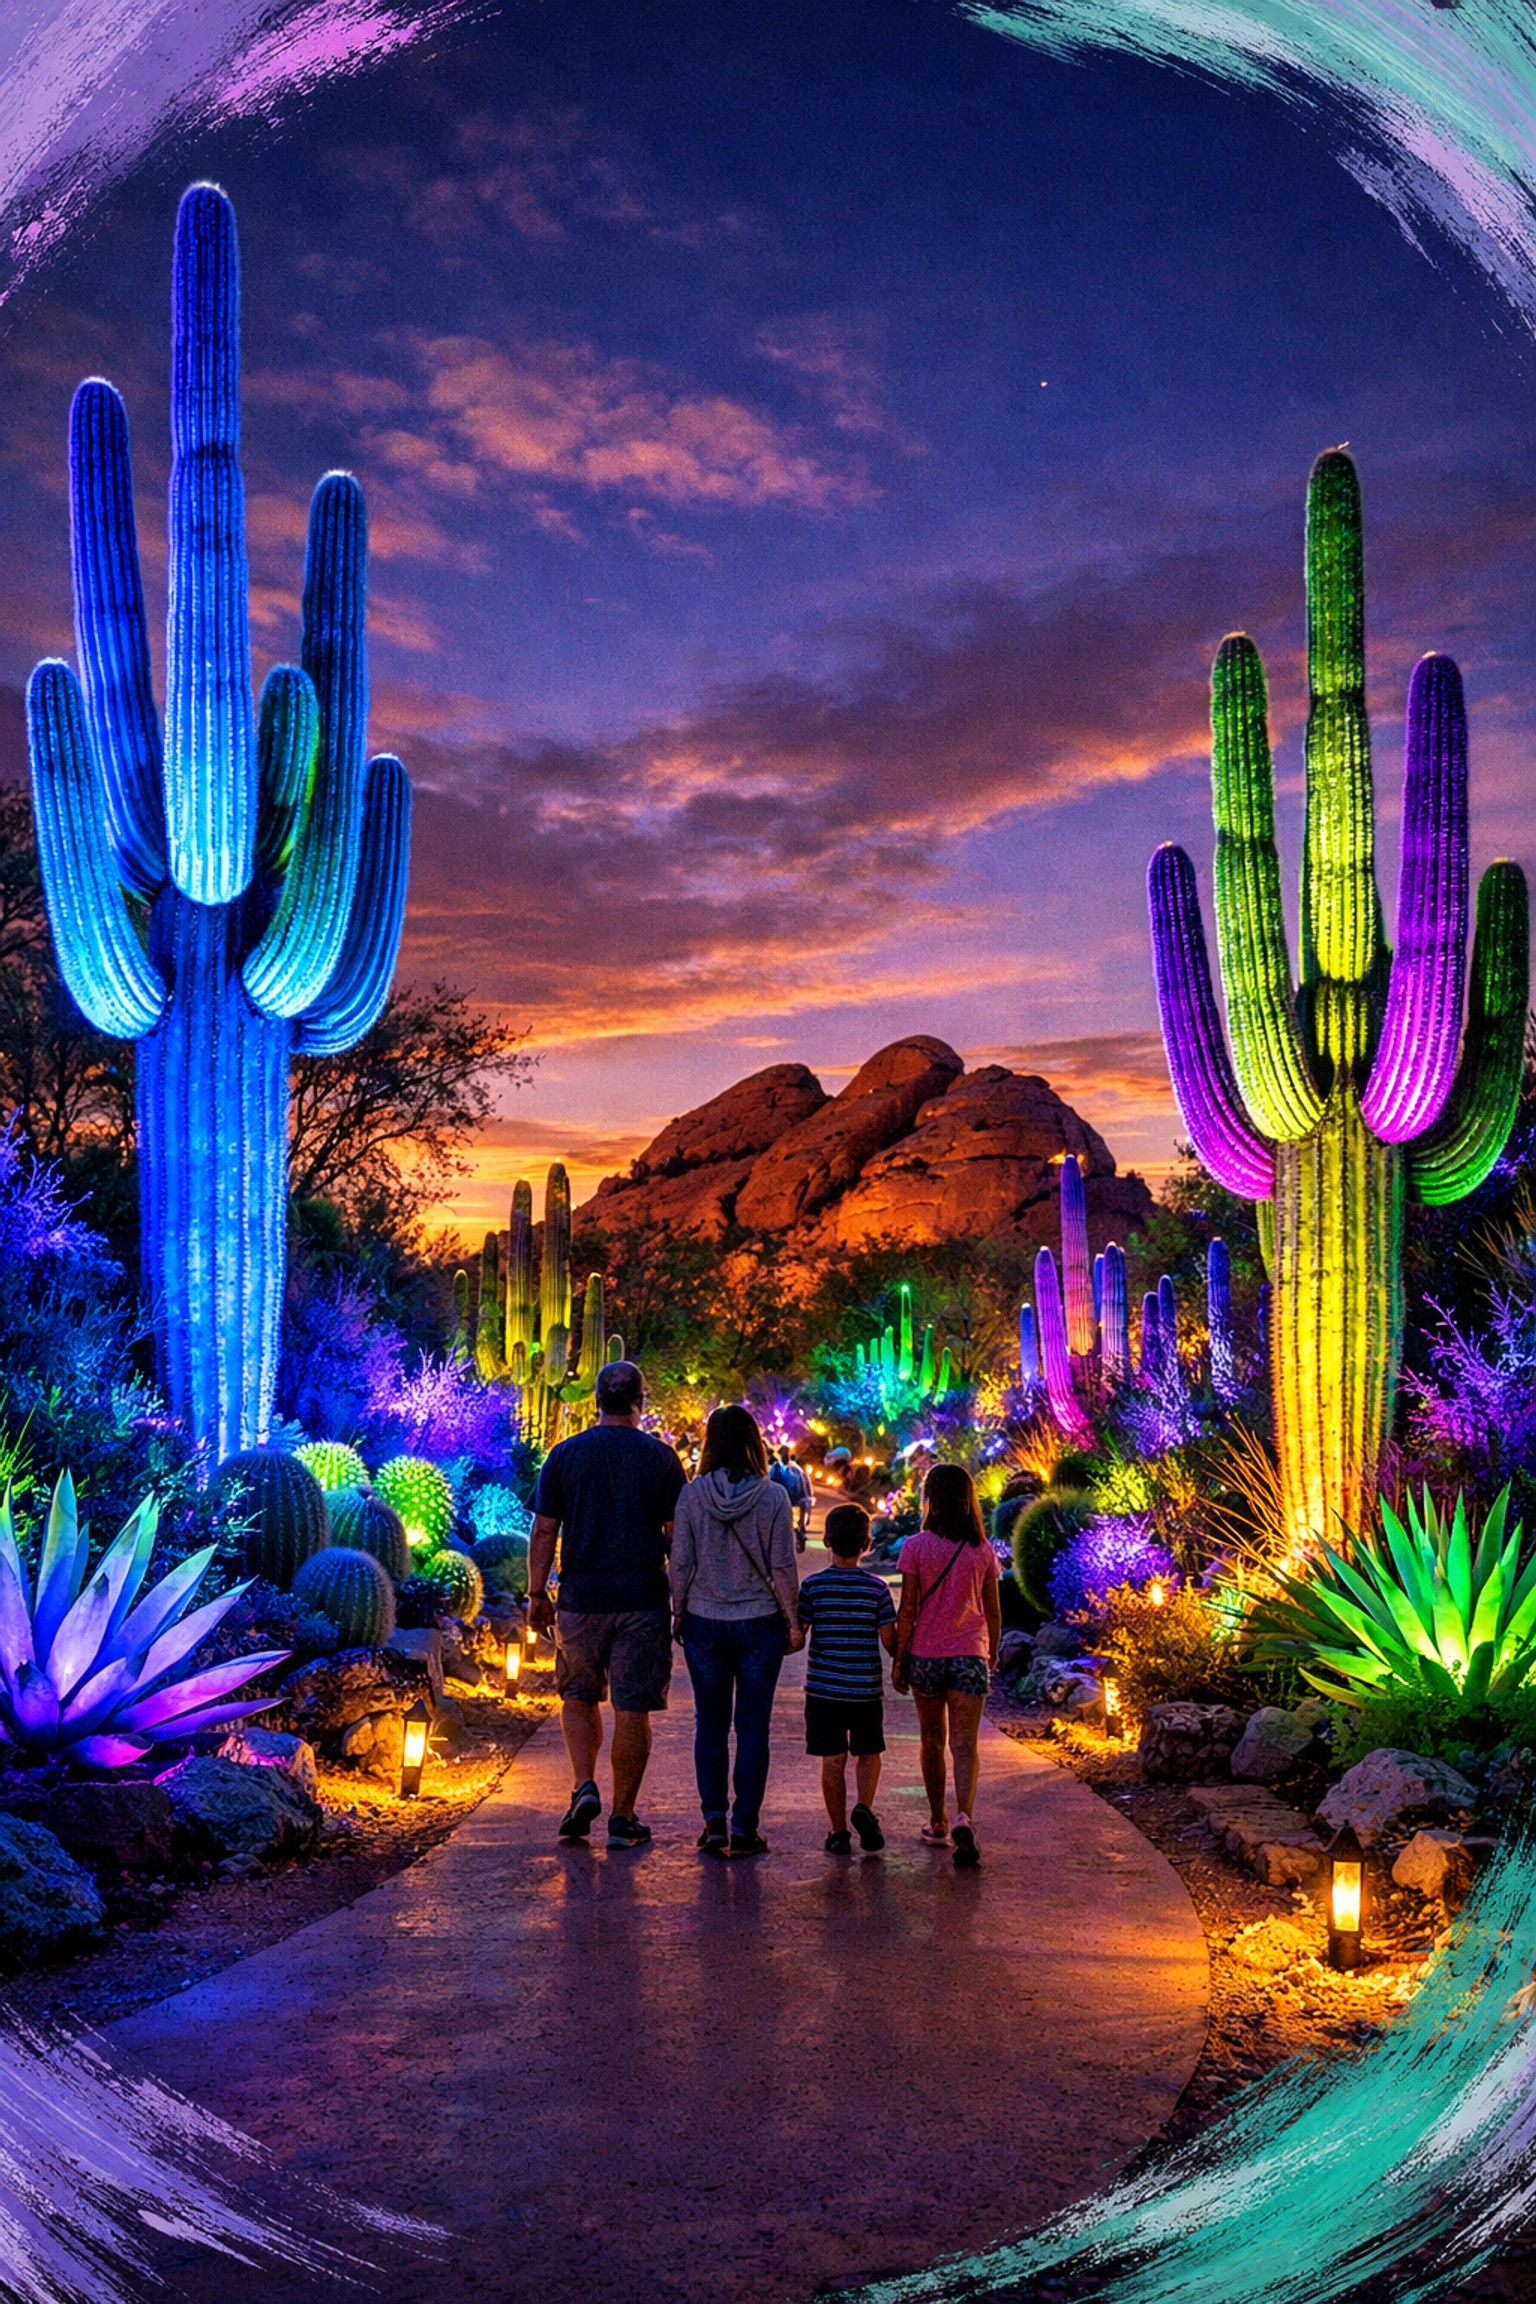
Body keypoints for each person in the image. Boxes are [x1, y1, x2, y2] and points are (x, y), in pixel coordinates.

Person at [528, 1360, 685, 1850]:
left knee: (577, 1695)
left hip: (580, 1597)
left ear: (596, 1399)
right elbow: (675, 1535)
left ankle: (583, 1784)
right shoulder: (661, 1459)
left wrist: (537, 1592)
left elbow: (545, 1529)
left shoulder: (565, 1455)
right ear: (641, 1401)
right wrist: (681, 1599)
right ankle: (623, 1817)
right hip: (641, 1599)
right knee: (632, 1707)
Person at [670, 1404, 801, 1857]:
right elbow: (782, 1565)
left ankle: (713, 1822)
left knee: (709, 1724)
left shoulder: (691, 1496)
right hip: (760, 1623)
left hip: (705, 1620)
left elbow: (681, 1560)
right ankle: (745, 1825)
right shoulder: (773, 1497)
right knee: (752, 1728)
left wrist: (679, 1609)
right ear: (753, 1442)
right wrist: (794, 1619)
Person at [891, 1463, 1000, 1869]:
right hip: (969, 1655)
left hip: (927, 1657)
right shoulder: (982, 1551)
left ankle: (937, 1821)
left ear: (930, 1499)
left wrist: (899, 1661)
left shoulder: (915, 1547)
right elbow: (993, 1612)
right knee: (965, 1745)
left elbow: (908, 1611)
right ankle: (963, 1816)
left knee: (931, 1739)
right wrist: (992, 1651)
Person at [797, 1502, 896, 1854]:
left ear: (826, 1541)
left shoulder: (812, 1587)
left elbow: (799, 1635)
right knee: (868, 1753)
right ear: (867, 1544)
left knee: (833, 1759)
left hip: (824, 1690)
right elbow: (888, 1641)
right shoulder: (878, 1589)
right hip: (865, 1689)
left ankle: (838, 1832)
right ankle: (864, 1808)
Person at [770, 1443, 812, 1551]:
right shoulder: (776, 1468)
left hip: (793, 1500)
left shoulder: (796, 1470)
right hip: (781, 1501)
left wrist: (806, 1503)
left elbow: (804, 1487)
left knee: (796, 1524)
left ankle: (799, 1536)